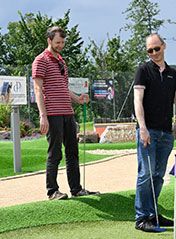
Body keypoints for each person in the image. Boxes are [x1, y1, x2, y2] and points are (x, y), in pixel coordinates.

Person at [32, 26, 99, 200]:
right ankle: (52, 191)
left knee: (72, 152)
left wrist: (78, 98)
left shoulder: (61, 60)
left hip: (67, 113)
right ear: (49, 40)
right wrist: (43, 115)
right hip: (52, 113)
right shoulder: (40, 60)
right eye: (57, 42)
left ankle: (76, 189)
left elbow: (63, 87)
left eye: (62, 42)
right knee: (55, 153)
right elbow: (38, 89)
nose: (61, 45)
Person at [133, 33, 176, 232]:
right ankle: (141, 218)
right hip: (148, 131)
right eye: (150, 50)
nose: (154, 53)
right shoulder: (143, 70)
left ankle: (153, 214)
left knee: (158, 175)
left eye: (157, 48)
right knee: (145, 174)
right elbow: (138, 100)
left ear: (164, 46)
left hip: (166, 133)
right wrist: (143, 128)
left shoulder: (174, 73)